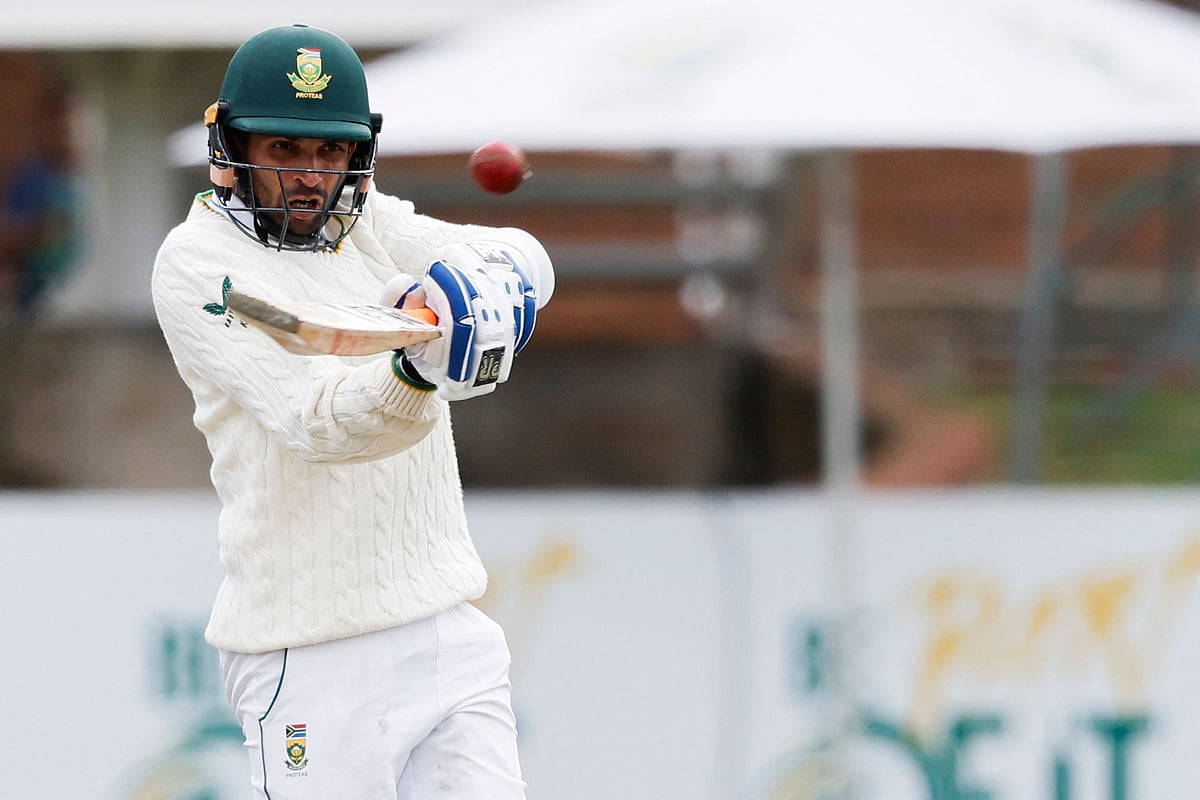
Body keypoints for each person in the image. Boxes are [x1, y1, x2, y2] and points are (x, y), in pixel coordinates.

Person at [151, 24, 553, 799]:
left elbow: (512, 256)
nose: (310, 178)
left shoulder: (367, 224)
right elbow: (314, 424)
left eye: (328, 154)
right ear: (233, 151)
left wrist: (485, 292)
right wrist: (416, 364)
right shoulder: (198, 265)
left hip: (447, 628)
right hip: (309, 651)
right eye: (284, 153)